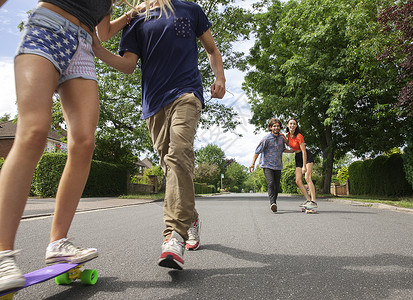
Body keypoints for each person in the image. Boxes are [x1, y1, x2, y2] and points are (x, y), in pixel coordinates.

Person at [0, 0, 141, 293]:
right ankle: (2, 253)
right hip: (47, 28)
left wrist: (130, 15)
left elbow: (103, 32)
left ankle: (58, 242)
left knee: (84, 143)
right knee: (35, 131)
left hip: (82, 47)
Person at [93, 0, 225, 270]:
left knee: (178, 155)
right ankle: (191, 217)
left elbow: (211, 48)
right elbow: (128, 65)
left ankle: (174, 236)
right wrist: (98, 50)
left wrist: (219, 76)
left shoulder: (190, 8)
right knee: (170, 166)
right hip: (153, 104)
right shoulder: (136, 18)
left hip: (187, 93)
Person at [249, 119, 292, 212]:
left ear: (280, 127)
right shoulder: (266, 139)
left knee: (276, 186)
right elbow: (257, 151)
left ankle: (274, 203)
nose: (276, 128)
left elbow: (283, 149)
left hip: (278, 165)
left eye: (278, 126)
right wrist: (252, 163)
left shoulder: (281, 138)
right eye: (274, 126)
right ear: (270, 127)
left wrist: (293, 151)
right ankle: (272, 202)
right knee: (271, 183)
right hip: (267, 165)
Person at [285, 118, 317, 208]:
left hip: (306, 157)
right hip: (297, 157)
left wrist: (304, 166)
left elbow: (303, 151)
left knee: (307, 177)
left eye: (294, 124)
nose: (292, 125)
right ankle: (308, 200)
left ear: (296, 126)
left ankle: (314, 201)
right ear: (287, 125)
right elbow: (292, 149)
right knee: (298, 181)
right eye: (291, 123)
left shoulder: (299, 136)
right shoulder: (287, 136)